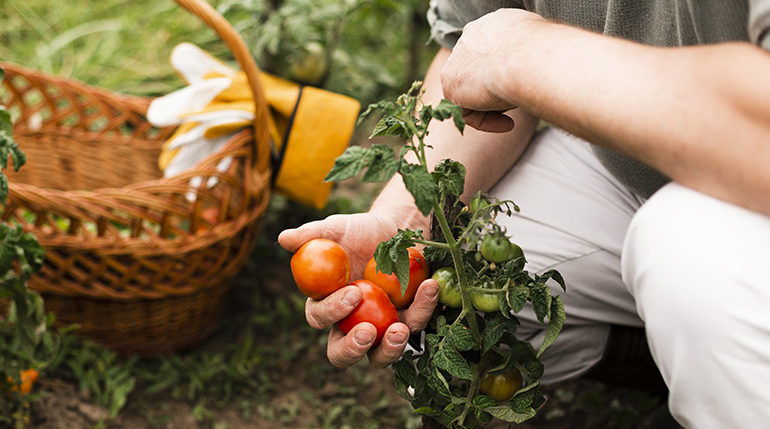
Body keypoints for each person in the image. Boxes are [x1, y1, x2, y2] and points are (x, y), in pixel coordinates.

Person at [279, 2, 770, 427]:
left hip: (752, 177)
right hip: (627, 158)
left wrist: (525, 54)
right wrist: (404, 226)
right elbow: (473, 49)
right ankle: (668, 366)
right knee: (453, 297)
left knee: (690, 255)